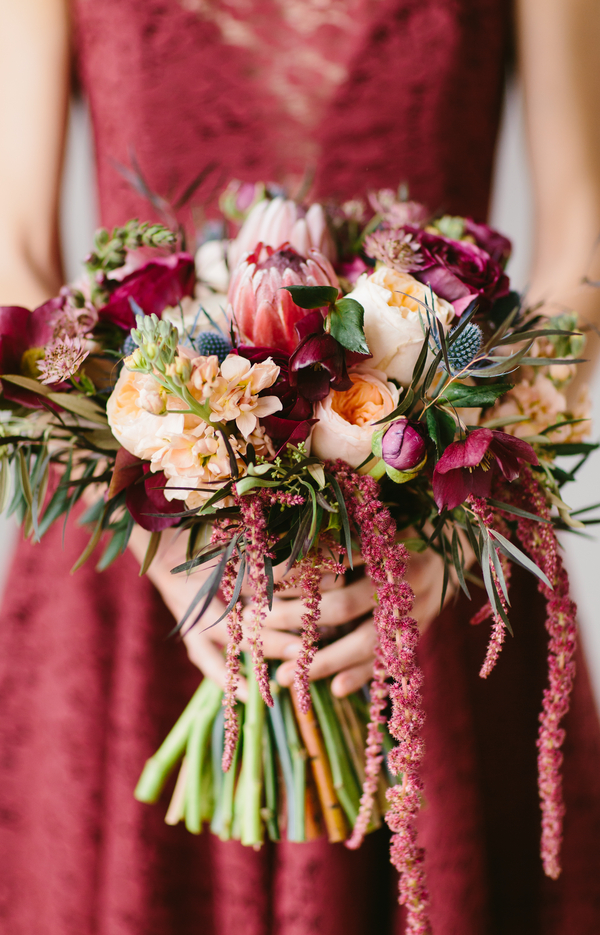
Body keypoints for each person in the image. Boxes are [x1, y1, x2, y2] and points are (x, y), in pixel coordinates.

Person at [0, 1, 599, 933]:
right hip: (139, 545)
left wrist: (454, 522)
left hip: (436, 523)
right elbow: (14, 251)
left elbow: (584, 233)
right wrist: (147, 524)